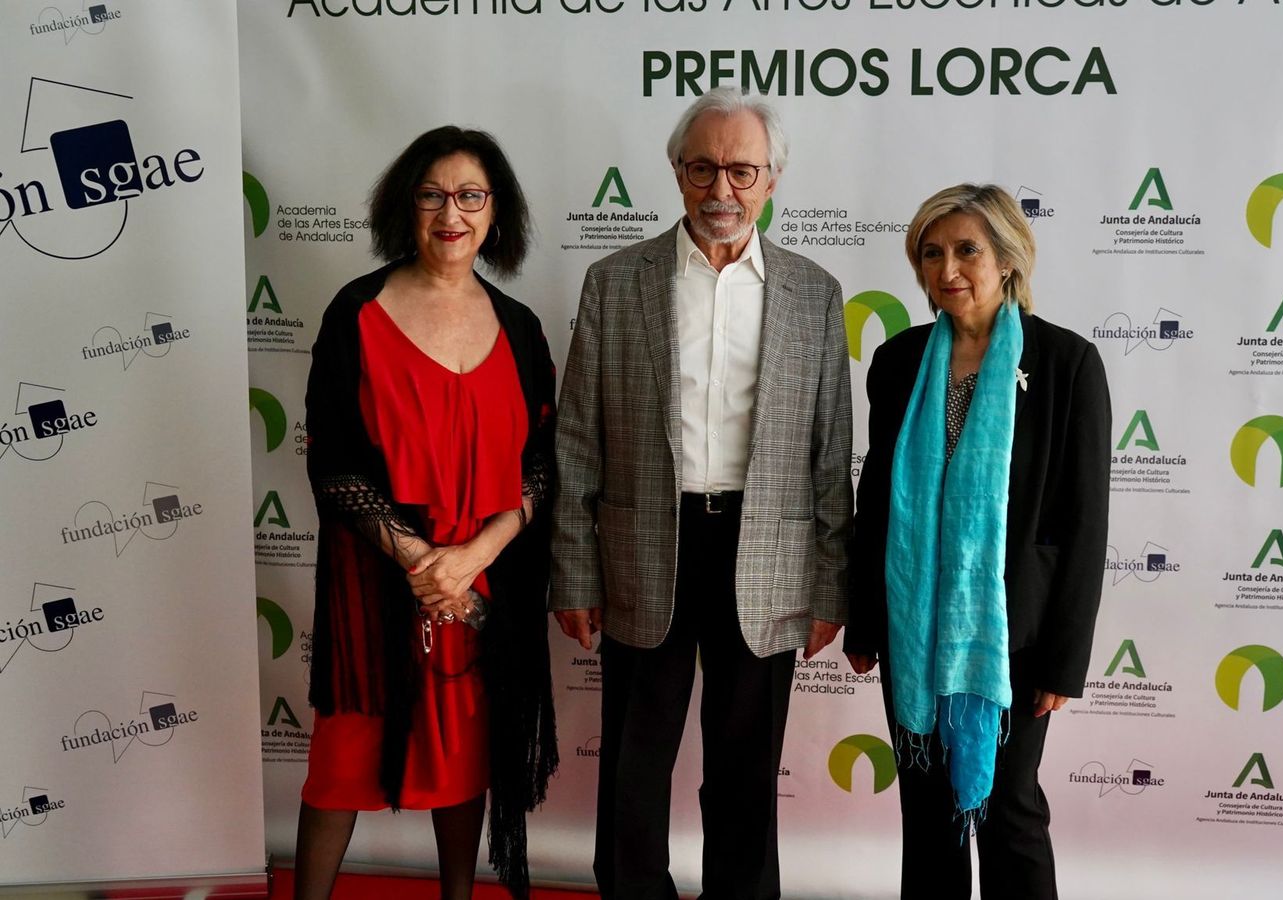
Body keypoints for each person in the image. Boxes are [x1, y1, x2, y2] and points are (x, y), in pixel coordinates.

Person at [550, 87, 853, 900]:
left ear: (772, 179)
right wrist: (574, 573)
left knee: (747, 768)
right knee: (634, 764)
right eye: (703, 169)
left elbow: (831, 456)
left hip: (766, 555)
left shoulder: (813, 293)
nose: (722, 190)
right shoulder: (615, 283)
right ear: (677, 173)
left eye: (742, 171)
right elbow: (577, 441)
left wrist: (829, 585)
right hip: (645, 546)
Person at [297, 126, 558, 900]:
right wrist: (420, 560)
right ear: (404, 208)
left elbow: (542, 461)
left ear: (495, 212)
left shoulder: (519, 327)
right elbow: (332, 462)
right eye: (432, 194)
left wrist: (478, 553)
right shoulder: (356, 311)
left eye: (471, 195)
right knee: (342, 763)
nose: (453, 212)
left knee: (465, 759)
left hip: (482, 592)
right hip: (377, 586)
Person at [844, 183, 1111, 899]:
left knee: (1009, 810)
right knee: (925, 813)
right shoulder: (898, 361)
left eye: (967, 250)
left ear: (1008, 260)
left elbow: (1085, 526)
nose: (947, 269)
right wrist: (866, 619)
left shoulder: (1066, 364)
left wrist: (1065, 659)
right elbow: (878, 504)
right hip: (912, 630)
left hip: (1012, 638)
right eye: (931, 254)